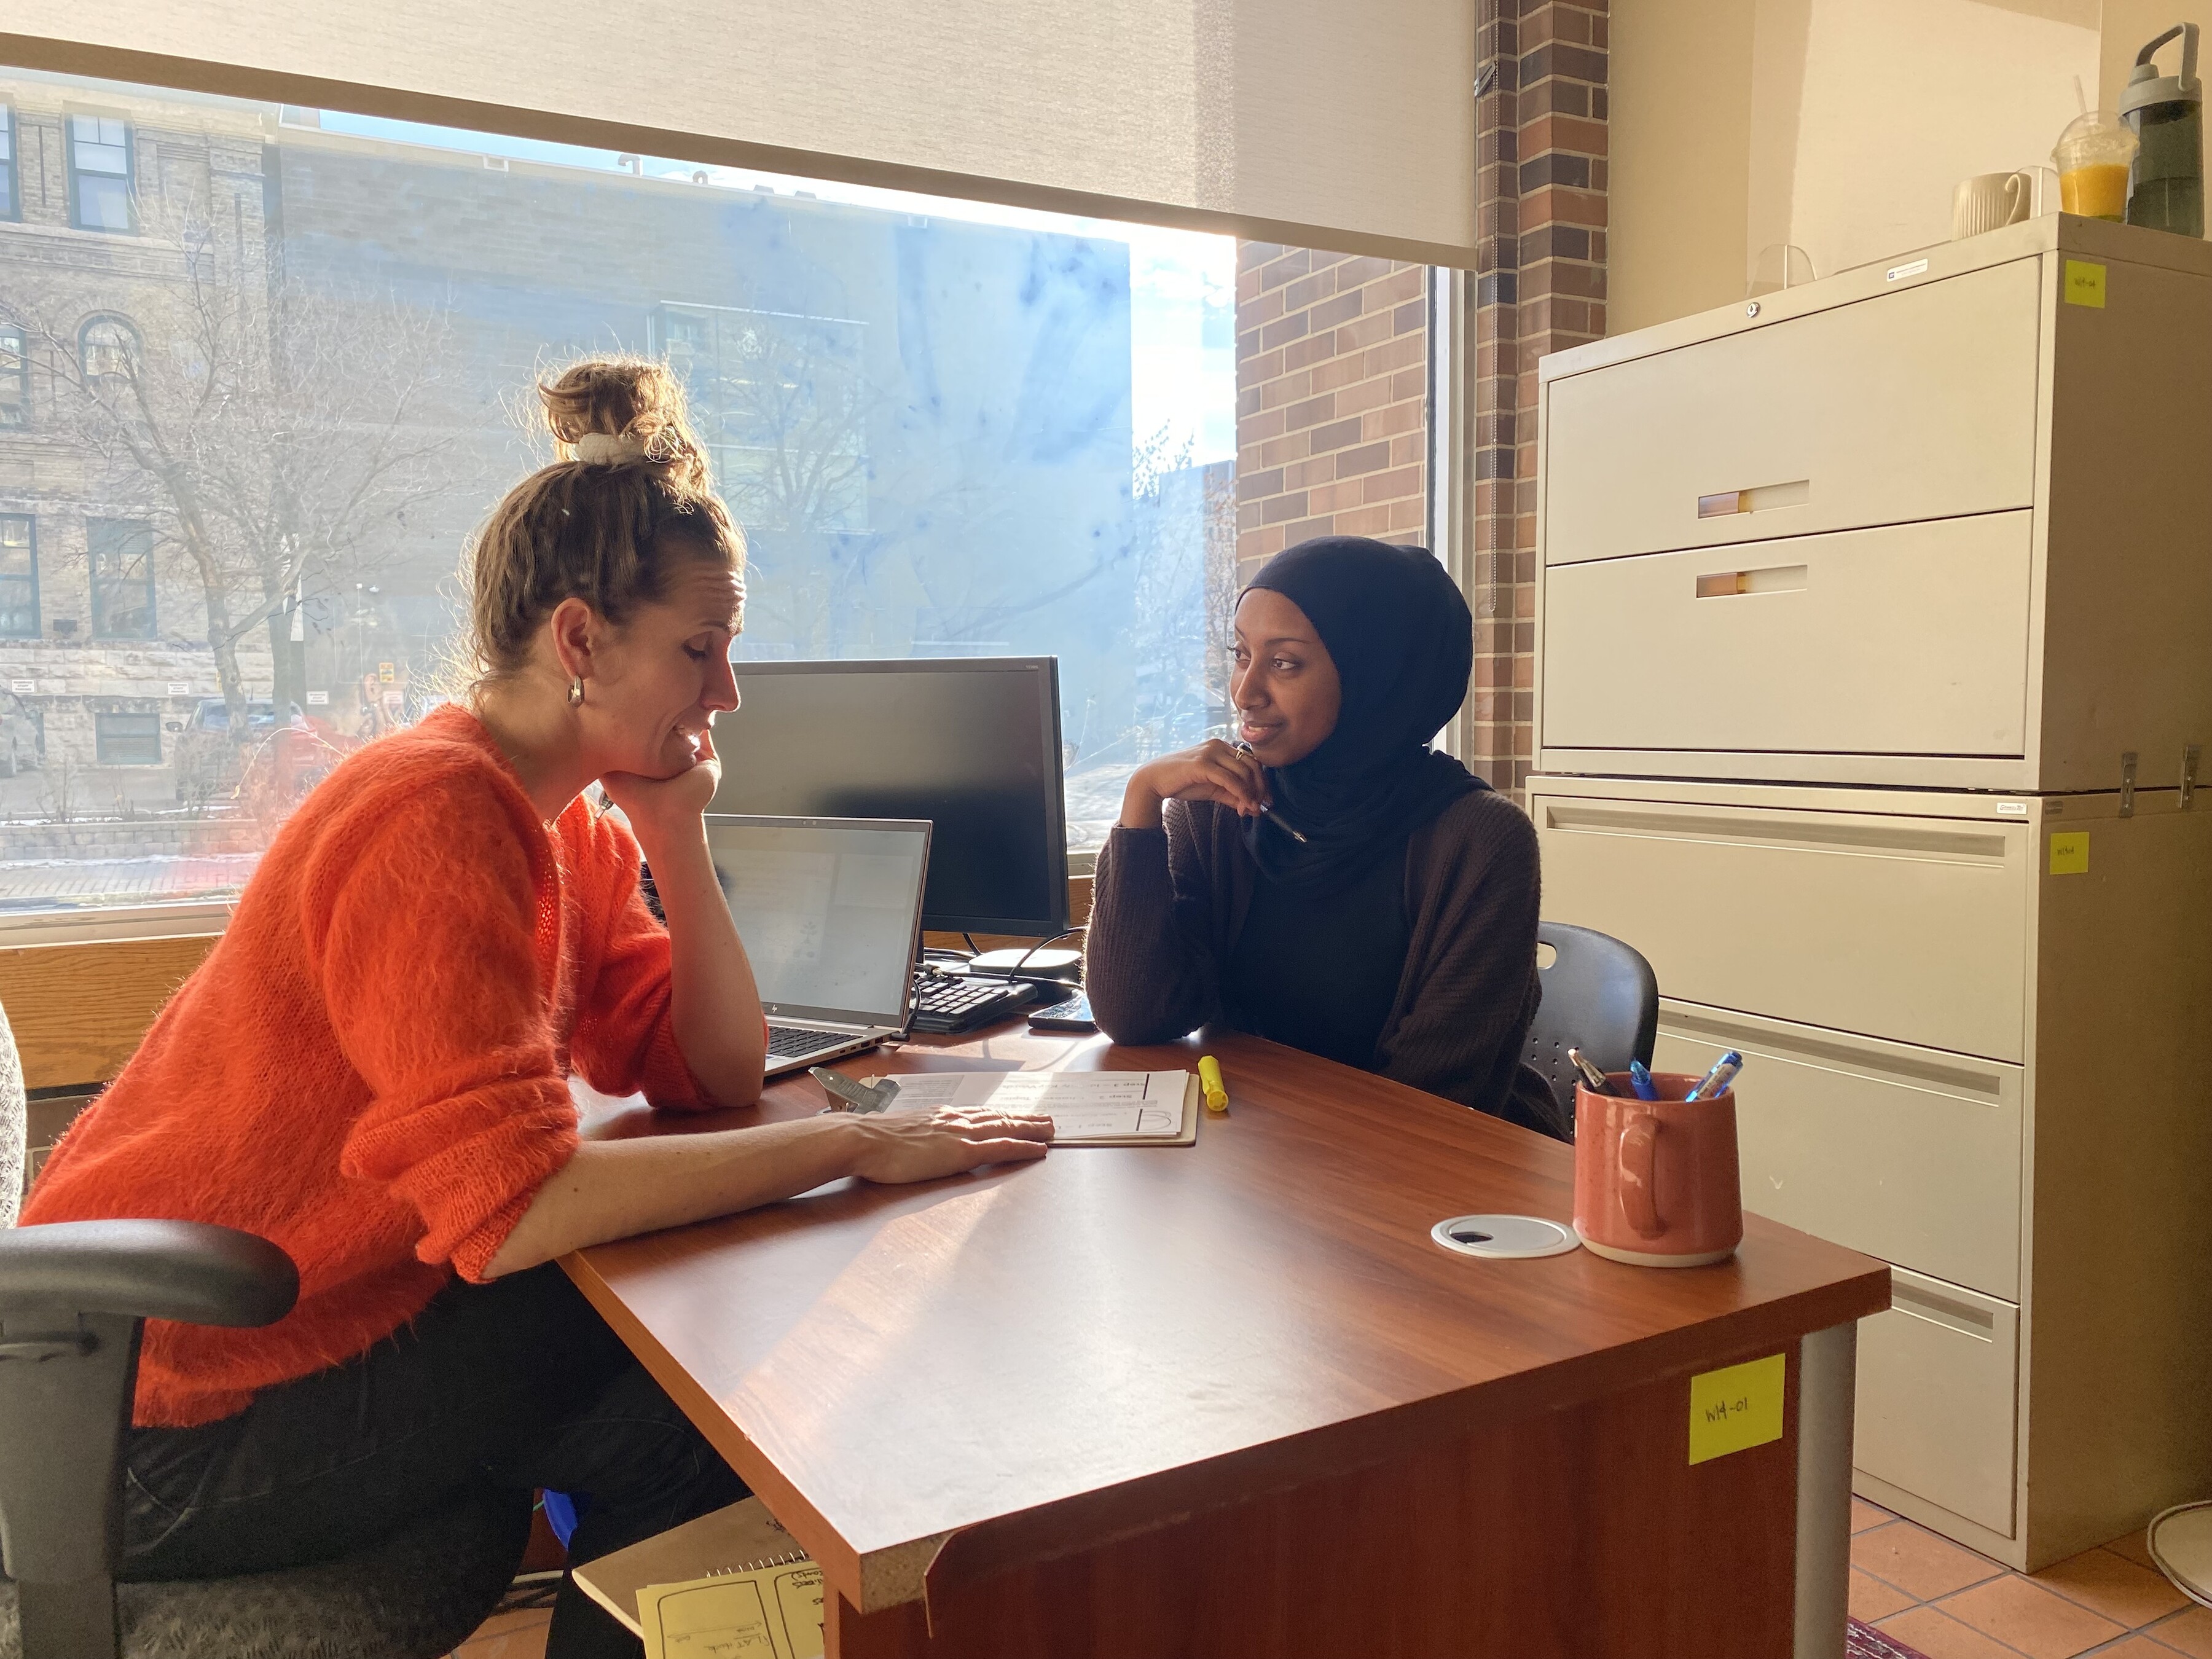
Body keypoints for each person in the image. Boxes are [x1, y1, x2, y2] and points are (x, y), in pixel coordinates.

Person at [21, 358, 1053, 1658]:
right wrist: (847, 1141)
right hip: (141, 1419)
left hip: (270, 1344)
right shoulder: (429, 815)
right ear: (580, 641)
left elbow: (712, 1074)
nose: (729, 692)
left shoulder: (567, 833)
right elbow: (508, 1218)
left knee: (679, 1404)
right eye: (701, 649)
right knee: (681, 1371)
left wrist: (677, 835)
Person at [1084, 535, 1560, 1135]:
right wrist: (1141, 801)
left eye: (1283, 663)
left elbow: (1432, 1102)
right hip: (1268, 1152)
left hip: (1437, 1177)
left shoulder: (1478, 842)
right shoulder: (1218, 809)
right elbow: (1134, 1016)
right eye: (1240, 654)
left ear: (1376, 674)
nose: (1244, 691)